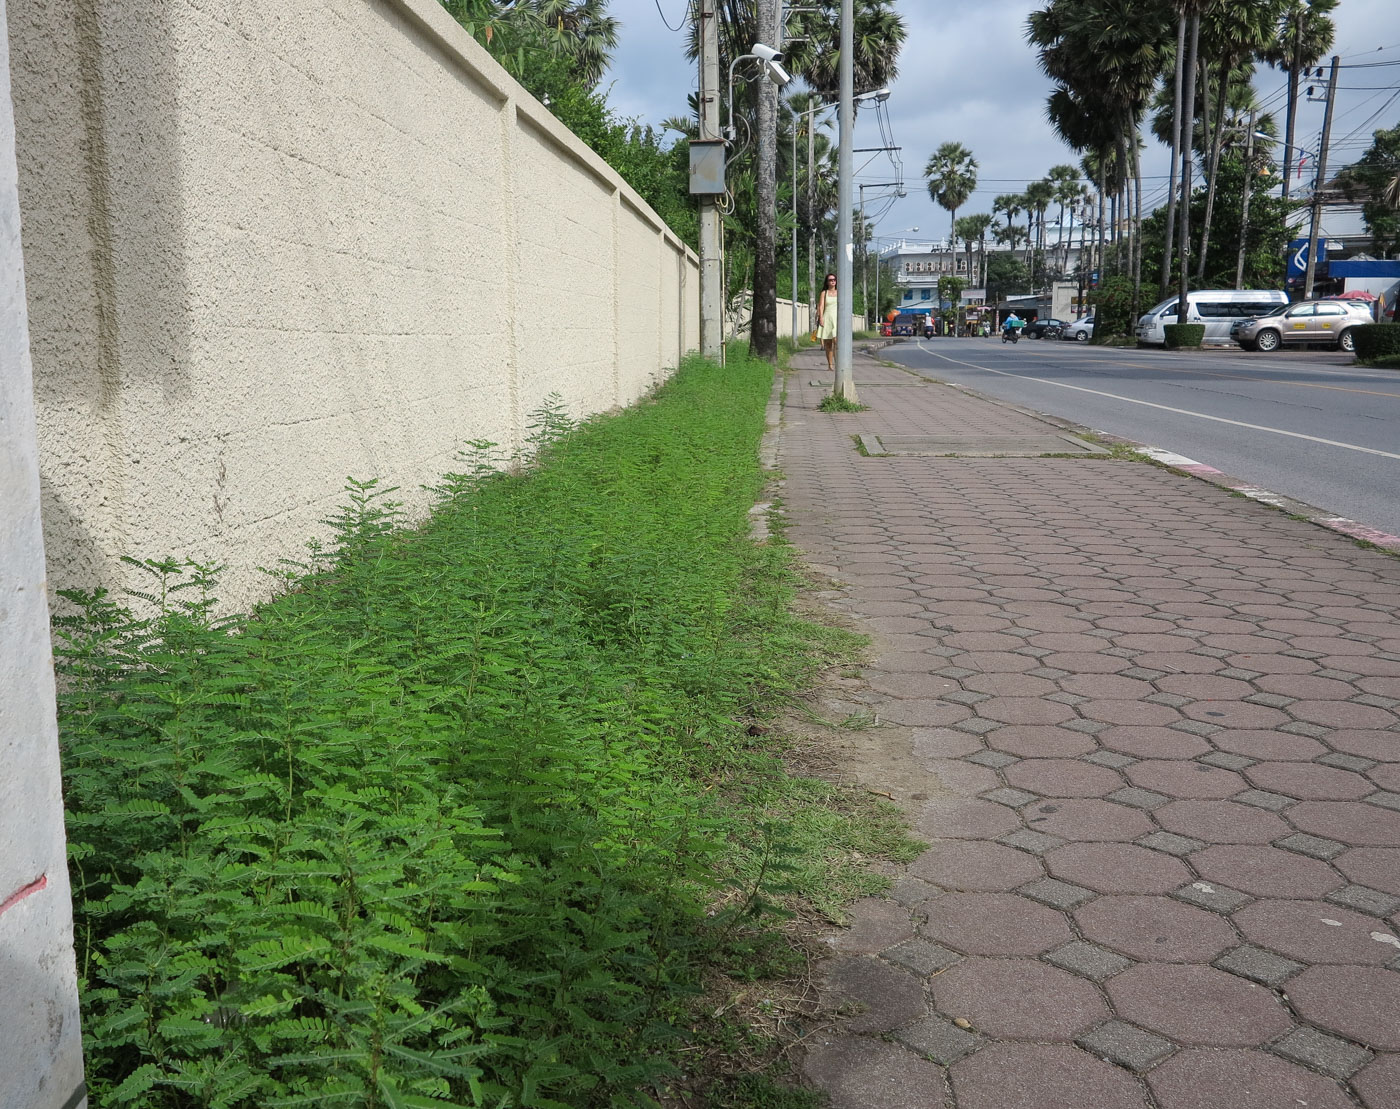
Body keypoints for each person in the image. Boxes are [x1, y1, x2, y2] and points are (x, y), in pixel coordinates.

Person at [816, 272, 839, 371]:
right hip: (827, 318)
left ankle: (838, 363)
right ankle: (830, 365)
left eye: (834, 279)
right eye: (830, 280)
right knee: (828, 344)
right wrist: (821, 318)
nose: (832, 281)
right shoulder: (824, 293)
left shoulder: (840, 292)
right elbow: (821, 306)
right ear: (827, 282)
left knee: (837, 342)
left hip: (837, 319)